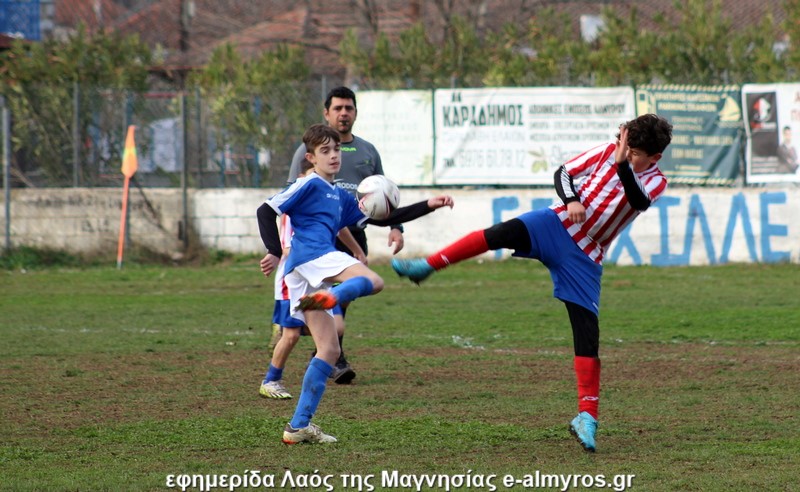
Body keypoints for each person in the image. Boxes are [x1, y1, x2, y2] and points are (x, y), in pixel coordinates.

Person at [392, 114, 673, 453]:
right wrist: (572, 200)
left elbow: (638, 200)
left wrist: (623, 165)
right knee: (499, 233)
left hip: (585, 256)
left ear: (654, 158)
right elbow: (564, 172)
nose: (624, 153)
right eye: (623, 145)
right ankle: (428, 265)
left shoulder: (656, 180)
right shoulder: (606, 151)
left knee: (587, 333)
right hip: (555, 225)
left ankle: (587, 416)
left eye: (634, 152)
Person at [258, 123, 454, 444]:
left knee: (330, 348)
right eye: (325, 151)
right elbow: (266, 210)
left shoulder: (339, 195)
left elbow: (383, 218)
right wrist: (273, 249)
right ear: (311, 157)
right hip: (311, 257)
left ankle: (298, 426)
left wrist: (428, 205)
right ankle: (330, 298)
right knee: (373, 280)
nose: (333, 155)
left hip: (305, 272)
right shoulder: (308, 184)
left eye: (336, 149)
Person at [286, 86, 403, 384]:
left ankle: (325, 350)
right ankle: (331, 354)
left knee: (346, 300)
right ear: (327, 113)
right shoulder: (308, 149)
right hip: (320, 238)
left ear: (355, 112)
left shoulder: (367, 150)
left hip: (354, 232)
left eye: (348, 108)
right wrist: (280, 245)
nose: (343, 113)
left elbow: (383, 196)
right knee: (342, 298)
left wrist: (396, 226)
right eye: (337, 108)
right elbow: (289, 197)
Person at [259, 160, 366, 400]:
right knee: (292, 335)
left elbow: (340, 228)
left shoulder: (325, 203)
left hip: (315, 274)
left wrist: (356, 250)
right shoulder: (294, 208)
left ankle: (314, 353)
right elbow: (287, 246)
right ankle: (271, 380)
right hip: (293, 276)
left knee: (330, 329)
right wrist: (276, 252)